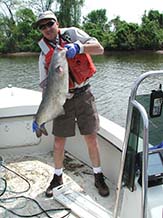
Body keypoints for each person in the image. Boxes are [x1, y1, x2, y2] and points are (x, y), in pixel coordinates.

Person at [34, 10, 109, 198]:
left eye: (49, 23)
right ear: (40, 30)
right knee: (59, 142)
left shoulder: (73, 34)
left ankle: (98, 175)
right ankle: (57, 177)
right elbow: (46, 89)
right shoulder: (43, 55)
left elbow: (99, 48)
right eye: (42, 27)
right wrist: (40, 116)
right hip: (62, 100)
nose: (47, 29)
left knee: (91, 138)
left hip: (84, 95)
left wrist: (80, 48)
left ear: (56, 23)